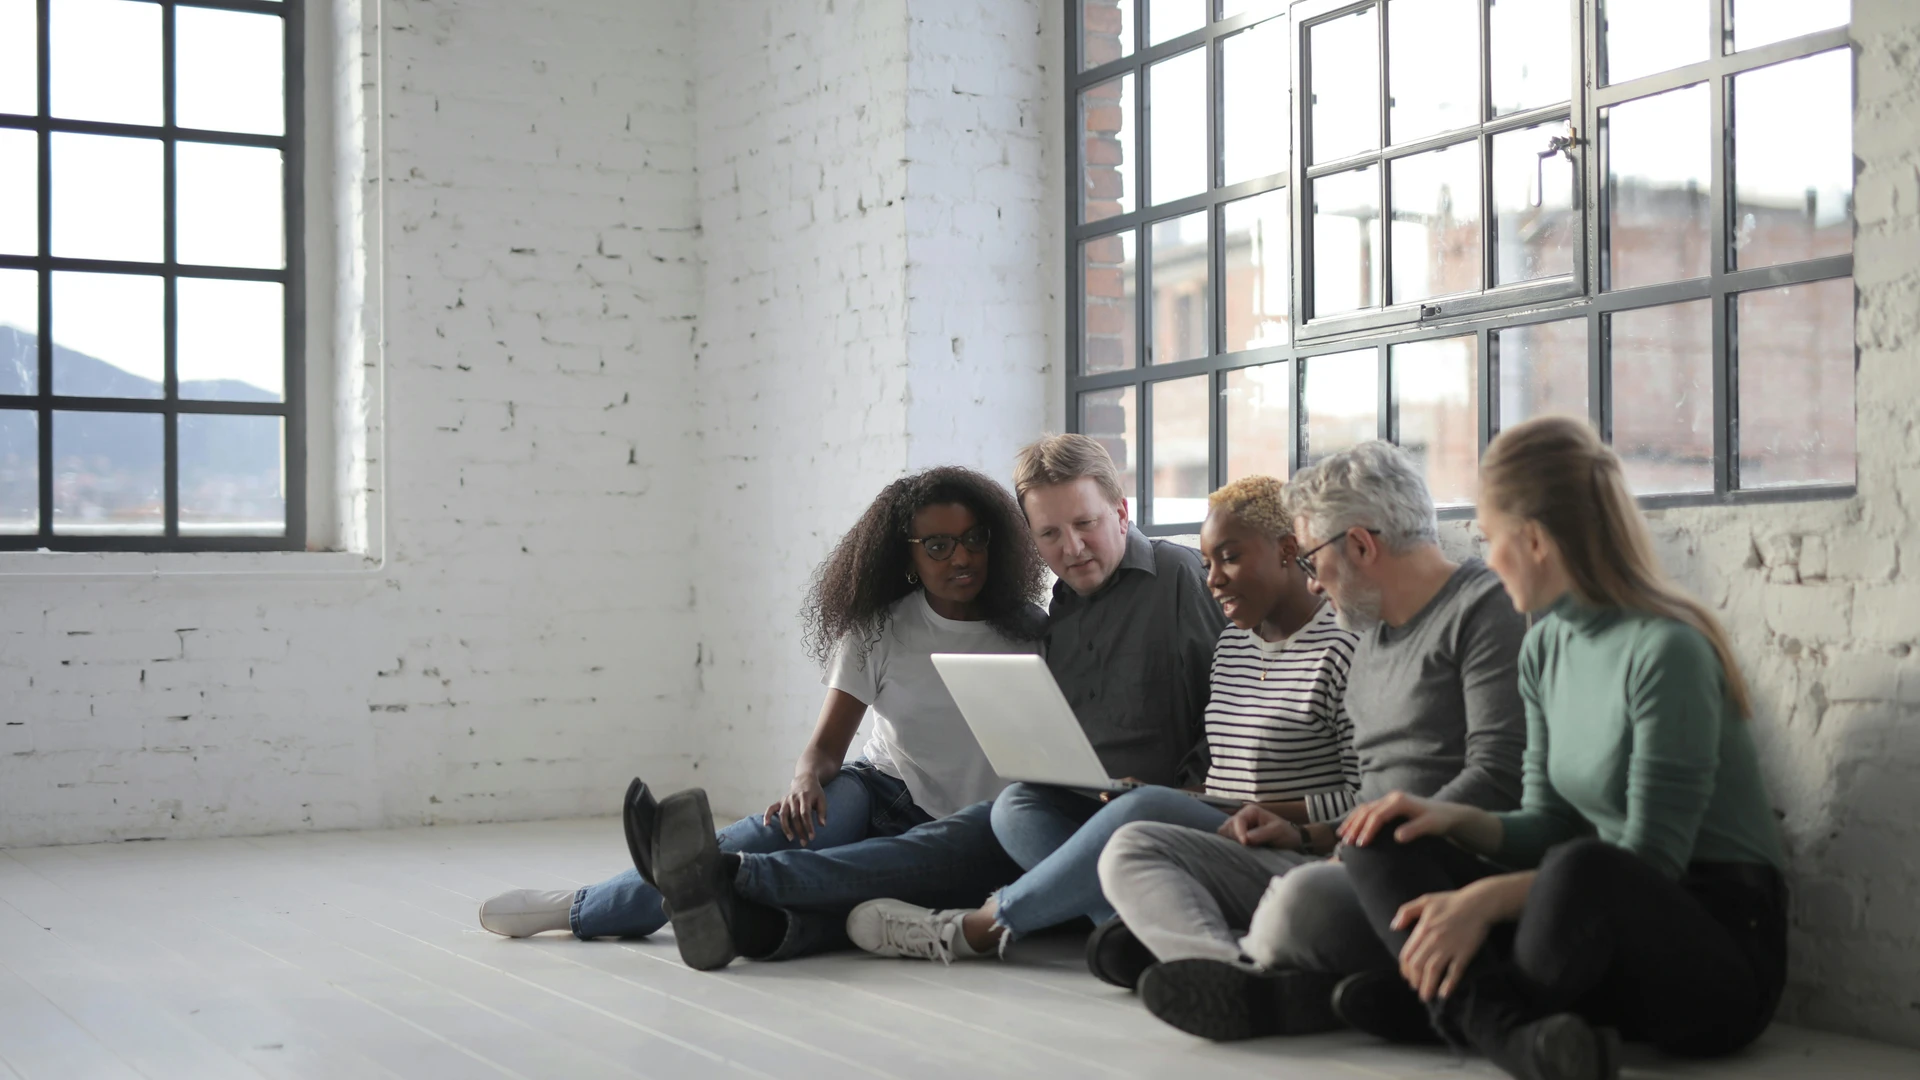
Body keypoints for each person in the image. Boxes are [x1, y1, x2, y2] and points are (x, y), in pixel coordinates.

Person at [644, 434, 1225, 969]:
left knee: (935, 849)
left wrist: (1188, 790)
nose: (1071, 548)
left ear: (1121, 512)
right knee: (1005, 813)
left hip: (1148, 807)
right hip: (1070, 804)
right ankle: (739, 896)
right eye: (1049, 533)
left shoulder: (1177, 574)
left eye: (1086, 524)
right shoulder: (1060, 611)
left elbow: (1220, 710)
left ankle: (731, 878)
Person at [1334, 416, 1787, 1080]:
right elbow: (1547, 822)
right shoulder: (1544, 647)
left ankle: (1458, 1013)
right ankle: (1515, 1032)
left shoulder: (1668, 651)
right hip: (1593, 941)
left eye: (1492, 540)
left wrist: (1483, 902)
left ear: (1537, 540)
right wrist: (1451, 818)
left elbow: (1647, 864)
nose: (1485, 559)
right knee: (1378, 835)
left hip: (1714, 955)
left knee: (1583, 869)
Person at [474, 466, 1047, 941]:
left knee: (822, 882)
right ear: (908, 558)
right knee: (773, 832)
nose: (960, 558)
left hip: (968, 824)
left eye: (974, 539)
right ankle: (581, 908)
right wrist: (805, 780)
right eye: (939, 546)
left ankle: (704, 891)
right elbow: (825, 748)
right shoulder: (879, 631)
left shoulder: (1032, 632)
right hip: (881, 790)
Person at [1097, 440, 1528, 1041]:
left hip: (1420, 867)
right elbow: (1366, 793)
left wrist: (1361, 842)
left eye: (1312, 559)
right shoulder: (1372, 634)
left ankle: (1236, 969)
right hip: (1346, 854)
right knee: (1132, 846)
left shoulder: (1485, 611)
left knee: (1300, 899)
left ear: (1359, 545)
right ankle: (1242, 976)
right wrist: (1306, 834)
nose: (1314, 582)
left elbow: (1500, 777)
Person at [842, 475, 1360, 968]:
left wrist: (1212, 804)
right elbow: (1223, 772)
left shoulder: (1346, 647)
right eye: (1208, 563)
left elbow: (1367, 797)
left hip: (1288, 841)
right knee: (1018, 804)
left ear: (1289, 551)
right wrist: (1193, 799)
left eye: (1228, 559)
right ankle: (1127, 928)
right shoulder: (1235, 646)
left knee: (1142, 810)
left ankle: (977, 929)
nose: (1214, 580)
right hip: (1220, 825)